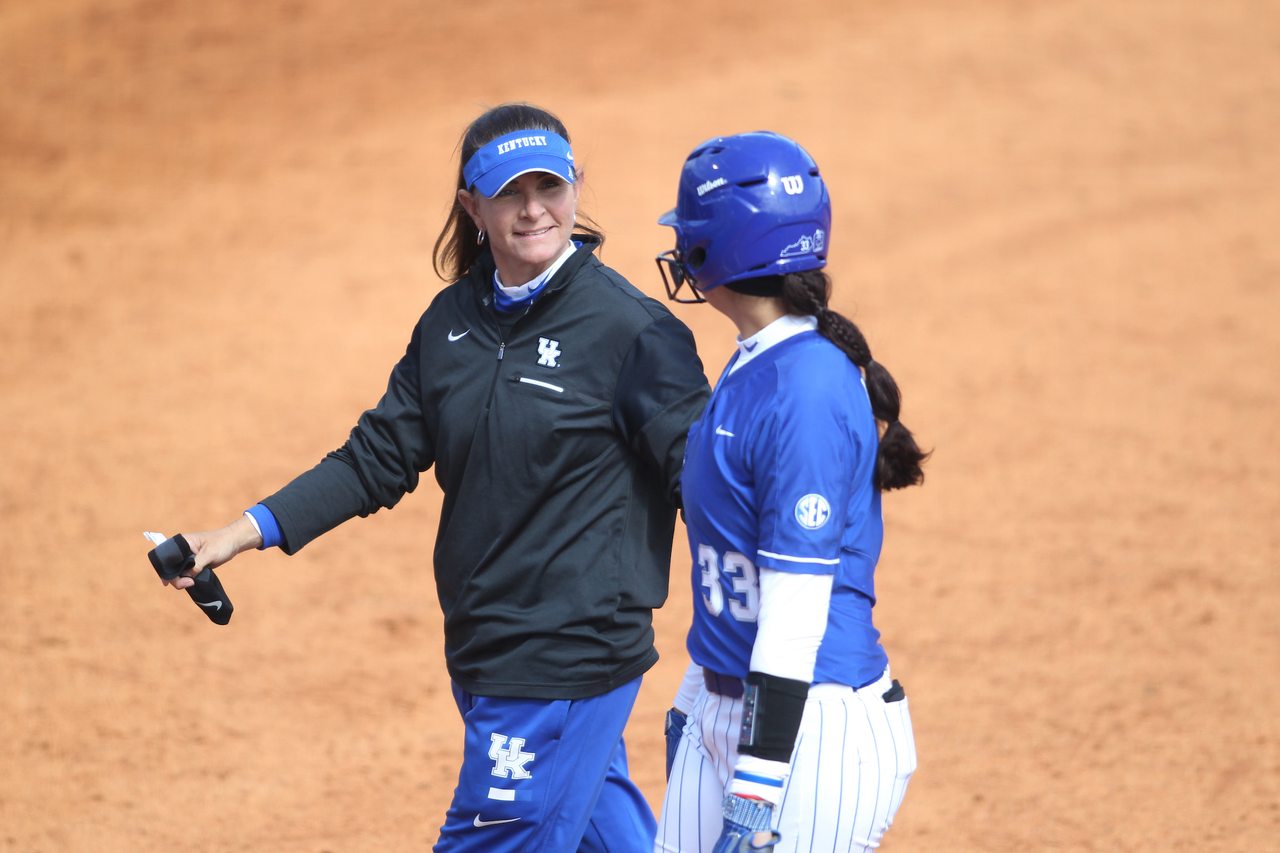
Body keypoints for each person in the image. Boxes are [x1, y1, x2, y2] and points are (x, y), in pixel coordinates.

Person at [159, 102, 711, 853]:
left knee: (487, 839)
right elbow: (375, 456)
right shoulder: (449, 324)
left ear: (578, 186)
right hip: (485, 644)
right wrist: (238, 533)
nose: (533, 209)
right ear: (470, 205)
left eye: (550, 187)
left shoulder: (631, 331)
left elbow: (707, 478)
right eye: (510, 192)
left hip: (566, 656)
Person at [651, 132, 927, 853]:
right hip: (732, 705)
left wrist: (756, 790)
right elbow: (731, 571)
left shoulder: (805, 392)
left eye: (690, 233)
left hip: (813, 726)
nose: (681, 247)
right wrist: (696, 694)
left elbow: (796, 610)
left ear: (722, 249)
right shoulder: (754, 364)